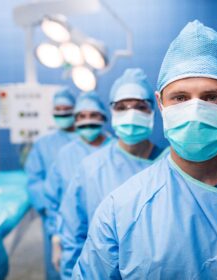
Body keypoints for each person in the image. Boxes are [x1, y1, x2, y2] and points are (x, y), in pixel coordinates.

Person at [73, 20, 217, 279]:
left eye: (211, 97)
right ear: (160, 104)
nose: (195, 110)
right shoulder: (122, 210)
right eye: (180, 98)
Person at [59, 68, 167, 279]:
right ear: (112, 112)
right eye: (122, 107)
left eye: (140, 107)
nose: (131, 113)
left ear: (153, 111)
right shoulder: (91, 168)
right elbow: (74, 234)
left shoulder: (171, 165)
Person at [44, 91, 113, 274]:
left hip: (113, 238)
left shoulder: (118, 151)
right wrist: (56, 238)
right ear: (75, 120)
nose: (87, 120)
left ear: (103, 117)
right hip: (74, 237)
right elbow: (53, 199)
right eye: (82, 116)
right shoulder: (66, 154)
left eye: (93, 115)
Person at [24, 87, 77, 280]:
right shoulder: (43, 144)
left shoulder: (91, 140)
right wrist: (50, 209)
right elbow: (34, 180)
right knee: (57, 266)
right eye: (58, 109)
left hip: (87, 212)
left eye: (67, 109)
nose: (62, 113)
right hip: (55, 214)